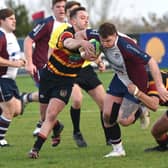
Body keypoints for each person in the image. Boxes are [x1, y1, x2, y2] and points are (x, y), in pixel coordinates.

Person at [75, 22, 168, 157]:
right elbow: (79, 34)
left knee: (124, 120)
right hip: (120, 78)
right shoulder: (96, 35)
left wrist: (159, 86)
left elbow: (151, 61)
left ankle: (141, 109)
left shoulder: (126, 46)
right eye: (103, 41)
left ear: (115, 35)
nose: (105, 44)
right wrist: (84, 46)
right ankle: (118, 150)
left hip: (136, 82)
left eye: (108, 41)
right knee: (106, 114)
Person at [28, 6, 97, 159]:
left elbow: (85, 56)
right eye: (82, 17)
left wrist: (95, 58)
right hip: (49, 77)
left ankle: (35, 149)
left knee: (51, 114)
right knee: (45, 115)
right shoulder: (66, 32)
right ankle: (57, 128)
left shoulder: (90, 38)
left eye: (87, 18)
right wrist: (82, 44)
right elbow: (69, 44)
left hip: (66, 81)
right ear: (72, 20)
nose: (86, 20)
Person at [49, 1, 113, 148]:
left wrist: (99, 61)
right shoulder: (61, 30)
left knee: (104, 102)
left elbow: (93, 49)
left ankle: (110, 137)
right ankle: (77, 132)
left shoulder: (88, 31)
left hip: (86, 70)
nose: (84, 19)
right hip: (69, 70)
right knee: (77, 100)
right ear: (71, 17)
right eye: (78, 14)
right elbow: (52, 51)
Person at [24, 0, 67, 146]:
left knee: (49, 109)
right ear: (52, 8)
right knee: (45, 113)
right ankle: (55, 127)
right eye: (58, 7)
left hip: (61, 71)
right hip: (43, 69)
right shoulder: (47, 24)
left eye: (64, 6)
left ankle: (55, 127)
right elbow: (29, 40)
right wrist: (29, 63)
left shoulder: (70, 26)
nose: (61, 9)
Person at [0, 8, 26, 146]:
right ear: (1, 21)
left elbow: (13, 55)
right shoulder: (1, 35)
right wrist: (14, 63)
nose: (14, 20)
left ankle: (27, 97)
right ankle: (0, 140)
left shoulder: (12, 36)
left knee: (16, 110)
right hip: (2, 78)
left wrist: (21, 60)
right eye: (10, 18)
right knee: (9, 110)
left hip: (10, 80)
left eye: (14, 18)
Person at [128, 71, 168, 152]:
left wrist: (137, 93)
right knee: (156, 131)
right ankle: (164, 147)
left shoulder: (151, 78)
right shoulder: (135, 80)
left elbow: (154, 105)